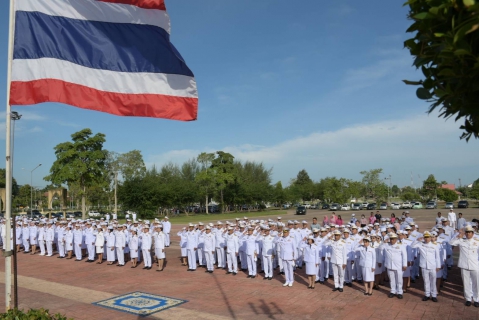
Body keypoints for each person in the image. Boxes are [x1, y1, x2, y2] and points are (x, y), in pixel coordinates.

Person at [449, 225, 479, 307]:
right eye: (467, 232)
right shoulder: (461, 240)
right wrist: (458, 236)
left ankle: (476, 299)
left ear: (473, 233)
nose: (468, 234)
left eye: (470, 232)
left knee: (476, 283)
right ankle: (468, 299)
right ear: (465, 233)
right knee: (466, 283)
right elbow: (451, 243)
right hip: (464, 265)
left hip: (475, 265)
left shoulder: (477, 241)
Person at [411, 231, 441, 302]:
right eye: (425, 237)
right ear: (423, 238)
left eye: (428, 237)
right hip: (424, 265)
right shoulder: (421, 244)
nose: (427, 239)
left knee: (433, 281)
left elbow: (437, 257)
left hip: (432, 265)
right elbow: (412, 246)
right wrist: (417, 240)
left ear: (431, 238)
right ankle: (427, 294)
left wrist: (438, 266)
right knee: (426, 281)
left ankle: (434, 295)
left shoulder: (435, 245)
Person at [383, 232, 407, 299]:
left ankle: (399, 292)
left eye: (393, 239)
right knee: (392, 279)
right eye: (391, 239)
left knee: (399, 279)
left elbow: (404, 256)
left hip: (398, 265)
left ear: (396, 239)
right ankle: (392, 291)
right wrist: (384, 242)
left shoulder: (401, 246)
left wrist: (404, 265)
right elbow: (380, 248)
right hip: (389, 265)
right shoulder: (386, 245)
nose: (392, 240)